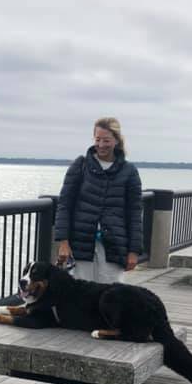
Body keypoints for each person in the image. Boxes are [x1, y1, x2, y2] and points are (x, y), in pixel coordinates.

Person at [55, 117, 143, 283]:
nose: (101, 145)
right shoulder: (80, 165)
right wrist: (63, 242)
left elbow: (135, 213)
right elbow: (64, 205)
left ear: (116, 141)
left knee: (111, 297)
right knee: (81, 296)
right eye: (98, 139)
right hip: (81, 244)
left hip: (114, 245)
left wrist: (134, 251)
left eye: (107, 140)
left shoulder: (129, 171)